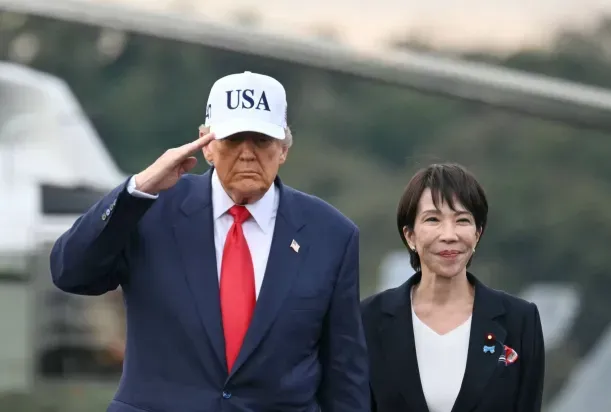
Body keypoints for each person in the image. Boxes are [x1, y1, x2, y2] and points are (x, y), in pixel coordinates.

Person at [50, 71, 370, 412]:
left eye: (262, 140)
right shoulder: (149, 208)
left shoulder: (330, 234)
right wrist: (137, 189)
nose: (247, 154)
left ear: (283, 149)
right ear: (206, 145)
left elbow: (344, 371)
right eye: (233, 139)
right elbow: (71, 272)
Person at [361, 163, 544, 412]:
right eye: (433, 219)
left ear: (477, 233)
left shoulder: (519, 320)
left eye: (462, 220)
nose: (449, 235)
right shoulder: (368, 319)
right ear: (410, 236)